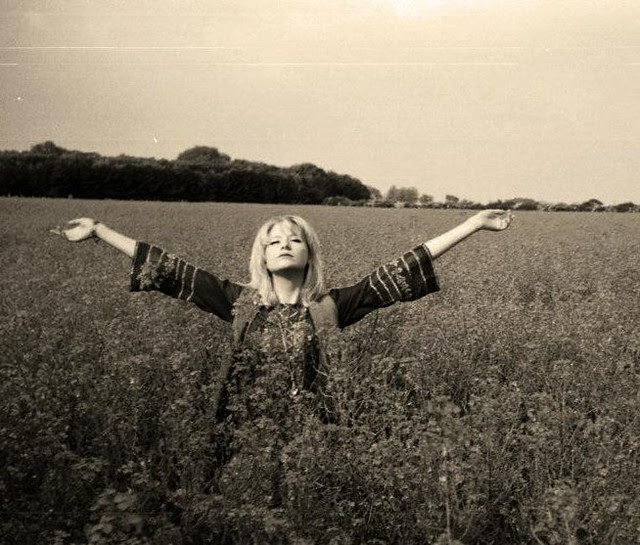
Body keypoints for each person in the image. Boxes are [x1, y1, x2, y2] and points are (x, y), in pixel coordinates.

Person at [50, 209, 513, 534]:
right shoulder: (239, 303)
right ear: (263, 257)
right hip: (245, 441)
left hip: (315, 439)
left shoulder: (332, 306)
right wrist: (99, 231)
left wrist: (472, 225)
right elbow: (172, 271)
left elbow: (399, 269)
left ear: (309, 253)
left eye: (294, 239)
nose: (284, 246)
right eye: (273, 242)